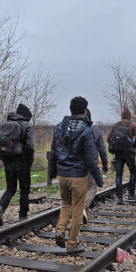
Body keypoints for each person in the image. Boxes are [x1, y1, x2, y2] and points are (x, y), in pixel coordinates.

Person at [49, 96, 103, 253]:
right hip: (78, 176)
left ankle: (60, 230)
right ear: (85, 111)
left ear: (71, 109)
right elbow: (92, 159)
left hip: (63, 175)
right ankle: (72, 244)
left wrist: (52, 172)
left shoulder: (59, 127)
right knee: (78, 212)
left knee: (66, 205)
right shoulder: (85, 130)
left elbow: (53, 152)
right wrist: (99, 180)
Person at [0, 103, 35, 225]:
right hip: (22, 162)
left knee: (10, 188)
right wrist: (29, 161)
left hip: (8, 161)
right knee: (24, 190)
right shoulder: (26, 125)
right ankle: (23, 216)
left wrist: (4, 159)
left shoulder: (5, 125)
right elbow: (30, 147)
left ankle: (1, 207)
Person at [107, 107, 136, 205]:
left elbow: (109, 139)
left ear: (122, 116)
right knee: (133, 172)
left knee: (118, 175)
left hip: (118, 154)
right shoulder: (133, 124)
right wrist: (132, 145)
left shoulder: (115, 125)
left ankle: (120, 198)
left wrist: (117, 147)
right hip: (129, 153)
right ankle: (131, 194)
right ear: (130, 116)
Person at [83, 108, 108, 223]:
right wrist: (105, 164)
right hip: (91, 163)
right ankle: (83, 208)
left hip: (75, 164)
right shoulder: (95, 129)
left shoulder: (73, 128)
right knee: (92, 187)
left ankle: (85, 213)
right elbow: (102, 149)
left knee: (81, 188)